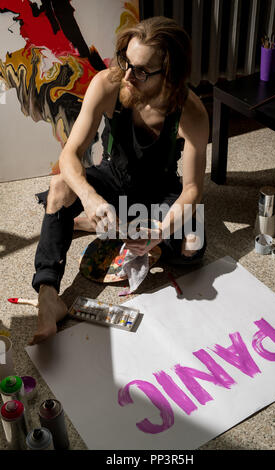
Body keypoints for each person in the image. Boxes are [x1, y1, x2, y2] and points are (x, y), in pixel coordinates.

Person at [30, 16, 209, 345]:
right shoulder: (109, 83)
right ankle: (48, 296)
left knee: (191, 249)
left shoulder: (191, 112)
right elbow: (70, 155)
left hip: (159, 193)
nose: (127, 75)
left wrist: (161, 230)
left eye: (141, 71)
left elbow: (193, 189)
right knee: (60, 188)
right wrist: (89, 196)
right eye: (126, 60)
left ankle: (103, 224)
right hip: (114, 178)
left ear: (169, 74)